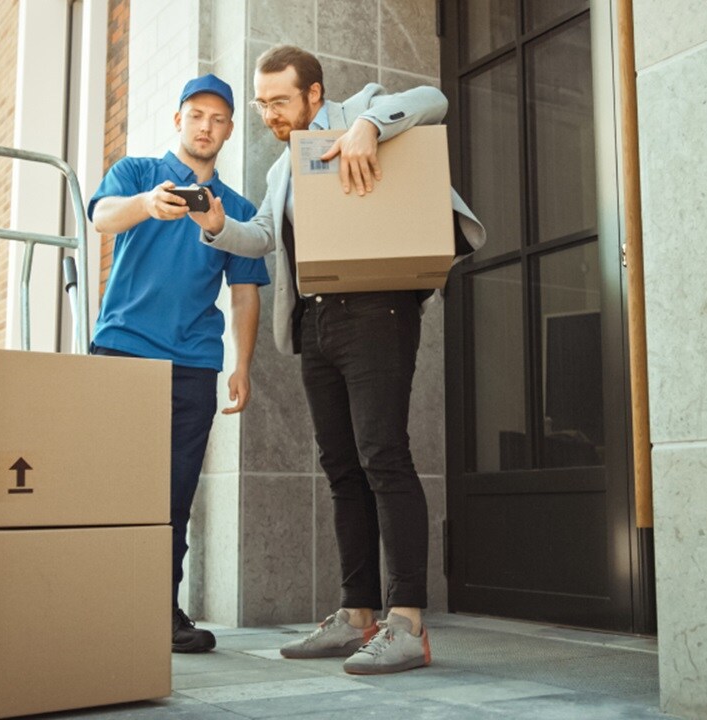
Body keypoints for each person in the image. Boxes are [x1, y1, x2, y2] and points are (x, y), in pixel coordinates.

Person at [189, 45, 485, 674]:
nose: (268, 114)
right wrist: (217, 224)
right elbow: (264, 236)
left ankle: (408, 623)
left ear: (314, 96)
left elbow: (434, 100)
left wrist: (367, 127)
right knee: (342, 468)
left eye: (280, 101)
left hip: (378, 311)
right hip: (317, 321)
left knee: (384, 455)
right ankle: (357, 615)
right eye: (262, 103)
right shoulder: (280, 171)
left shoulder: (363, 108)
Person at [87, 74, 269, 653]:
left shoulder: (234, 208)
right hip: (121, 350)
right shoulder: (138, 174)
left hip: (193, 366)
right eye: (196, 115)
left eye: (218, 119)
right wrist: (147, 205)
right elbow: (100, 217)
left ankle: (160, 612)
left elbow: (245, 291)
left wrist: (242, 366)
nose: (206, 127)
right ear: (178, 120)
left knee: (173, 496)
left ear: (230, 130)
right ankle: (99, 603)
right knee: (111, 485)